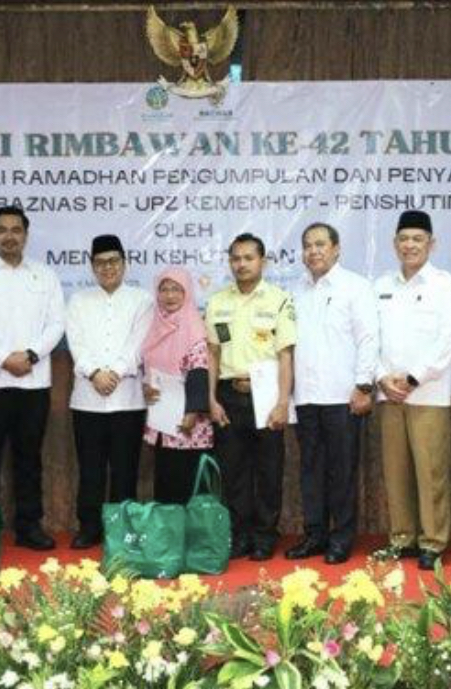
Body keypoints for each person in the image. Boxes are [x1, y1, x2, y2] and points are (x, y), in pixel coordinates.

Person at [0, 206, 65, 550]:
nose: (9, 236)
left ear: (26, 234)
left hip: (34, 383)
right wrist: (5, 358)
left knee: (29, 458)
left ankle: (29, 526)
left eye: (16, 230)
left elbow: (56, 323)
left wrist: (31, 355)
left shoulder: (45, 275)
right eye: (2, 230)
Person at [372, 211, 451, 571]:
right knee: (395, 472)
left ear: (431, 244)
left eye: (417, 239)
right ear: (394, 243)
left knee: (430, 472)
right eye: (404, 239)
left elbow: (449, 339)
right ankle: (401, 538)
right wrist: (382, 378)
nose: (409, 245)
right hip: (389, 395)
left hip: (428, 393)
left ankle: (432, 541)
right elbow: (370, 338)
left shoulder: (444, 284)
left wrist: (413, 378)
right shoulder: (381, 285)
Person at [286, 222, 378, 565]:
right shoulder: (295, 291)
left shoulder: (356, 287)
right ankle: (315, 535)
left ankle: (341, 538)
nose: (313, 251)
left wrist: (364, 385)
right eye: (308, 245)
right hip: (306, 396)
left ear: (336, 249)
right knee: (310, 471)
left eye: (320, 244)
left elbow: (368, 338)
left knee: (342, 472)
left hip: (343, 396)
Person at [205, 233, 295, 561]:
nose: (241, 264)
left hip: (266, 393)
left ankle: (264, 535)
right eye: (235, 258)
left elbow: (286, 356)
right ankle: (240, 534)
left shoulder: (279, 299)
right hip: (228, 395)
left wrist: (283, 402)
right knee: (233, 471)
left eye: (248, 258)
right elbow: (212, 354)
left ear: (262, 262)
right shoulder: (217, 302)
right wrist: (211, 399)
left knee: (268, 470)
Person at [64, 235, 154, 548]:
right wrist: (94, 373)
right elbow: (76, 342)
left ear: (124, 263)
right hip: (87, 400)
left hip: (128, 399)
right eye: (100, 262)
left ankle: (121, 527)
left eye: (114, 261)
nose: (108, 267)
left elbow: (139, 344)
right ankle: (89, 527)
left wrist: (114, 372)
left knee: (125, 468)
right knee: (90, 468)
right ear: (92, 266)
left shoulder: (142, 300)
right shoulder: (78, 300)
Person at [140, 267, 213, 504]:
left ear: (187, 293)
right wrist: (146, 387)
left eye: (176, 289)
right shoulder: (154, 325)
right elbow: (147, 368)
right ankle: (168, 526)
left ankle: (190, 528)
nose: (169, 295)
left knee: (189, 483)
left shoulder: (194, 326)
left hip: (189, 423)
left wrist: (192, 412)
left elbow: (199, 371)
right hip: (162, 420)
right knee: (165, 480)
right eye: (164, 289)